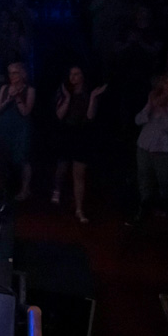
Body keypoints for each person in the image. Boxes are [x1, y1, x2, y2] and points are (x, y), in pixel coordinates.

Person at [129, 73, 168, 224]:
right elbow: (138, 120)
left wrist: (162, 108)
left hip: (166, 152)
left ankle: (167, 213)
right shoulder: (154, 101)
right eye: (166, 83)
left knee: (166, 183)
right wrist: (150, 106)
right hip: (145, 147)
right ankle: (144, 210)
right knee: (144, 180)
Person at [52, 67, 107, 223]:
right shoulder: (63, 92)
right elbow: (59, 115)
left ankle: (79, 209)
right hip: (66, 134)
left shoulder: (89, 92)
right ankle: (57, 190)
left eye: (76, 74)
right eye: (71, 74)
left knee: (79, 174)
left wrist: (93, 97)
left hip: (82, 137)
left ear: (83, 76)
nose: (73, 77)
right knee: (62, 167)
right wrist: (68, 98)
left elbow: (90, 116)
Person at [0, 62, 36, 201]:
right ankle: (3, 187)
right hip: (5, 125)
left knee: (22, 158)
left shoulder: (29, 90)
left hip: (20, 127)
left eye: (15, 73)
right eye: (10, 73)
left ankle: (25, 189)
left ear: (22, 74)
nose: (12, 76)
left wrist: (18, 97)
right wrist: (8, 99)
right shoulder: (4, 88)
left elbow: (26, 112)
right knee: (3, 157)